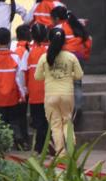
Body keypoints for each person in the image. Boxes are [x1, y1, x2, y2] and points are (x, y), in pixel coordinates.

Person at [34, 26, 83, 154]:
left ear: (49, 40)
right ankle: (72, 152)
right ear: (65, 41)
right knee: (67, 122)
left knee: (55, 125)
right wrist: (68, 75)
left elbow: (37, 77)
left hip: (50, 95)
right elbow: (79, 75)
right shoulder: (71, 57)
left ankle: (60, 154)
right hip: (67, 94)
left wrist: (50, 75)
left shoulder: (44, 58)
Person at [0, 27, 27, 148]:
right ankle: (17, 138)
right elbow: (19, 78)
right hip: (12, 96)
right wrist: (22, 94)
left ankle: (1, 145)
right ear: (9, 41)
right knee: (14, 120)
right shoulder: (16, 57)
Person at [21, 22, 48, 153]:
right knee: (48, 120)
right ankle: (47, 146)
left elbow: (22, 72)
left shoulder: (28, 51)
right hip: (49, 92)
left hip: (34, 93)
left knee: (38, 121)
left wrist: (24, 89)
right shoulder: (50, 50)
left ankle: (39, 148)